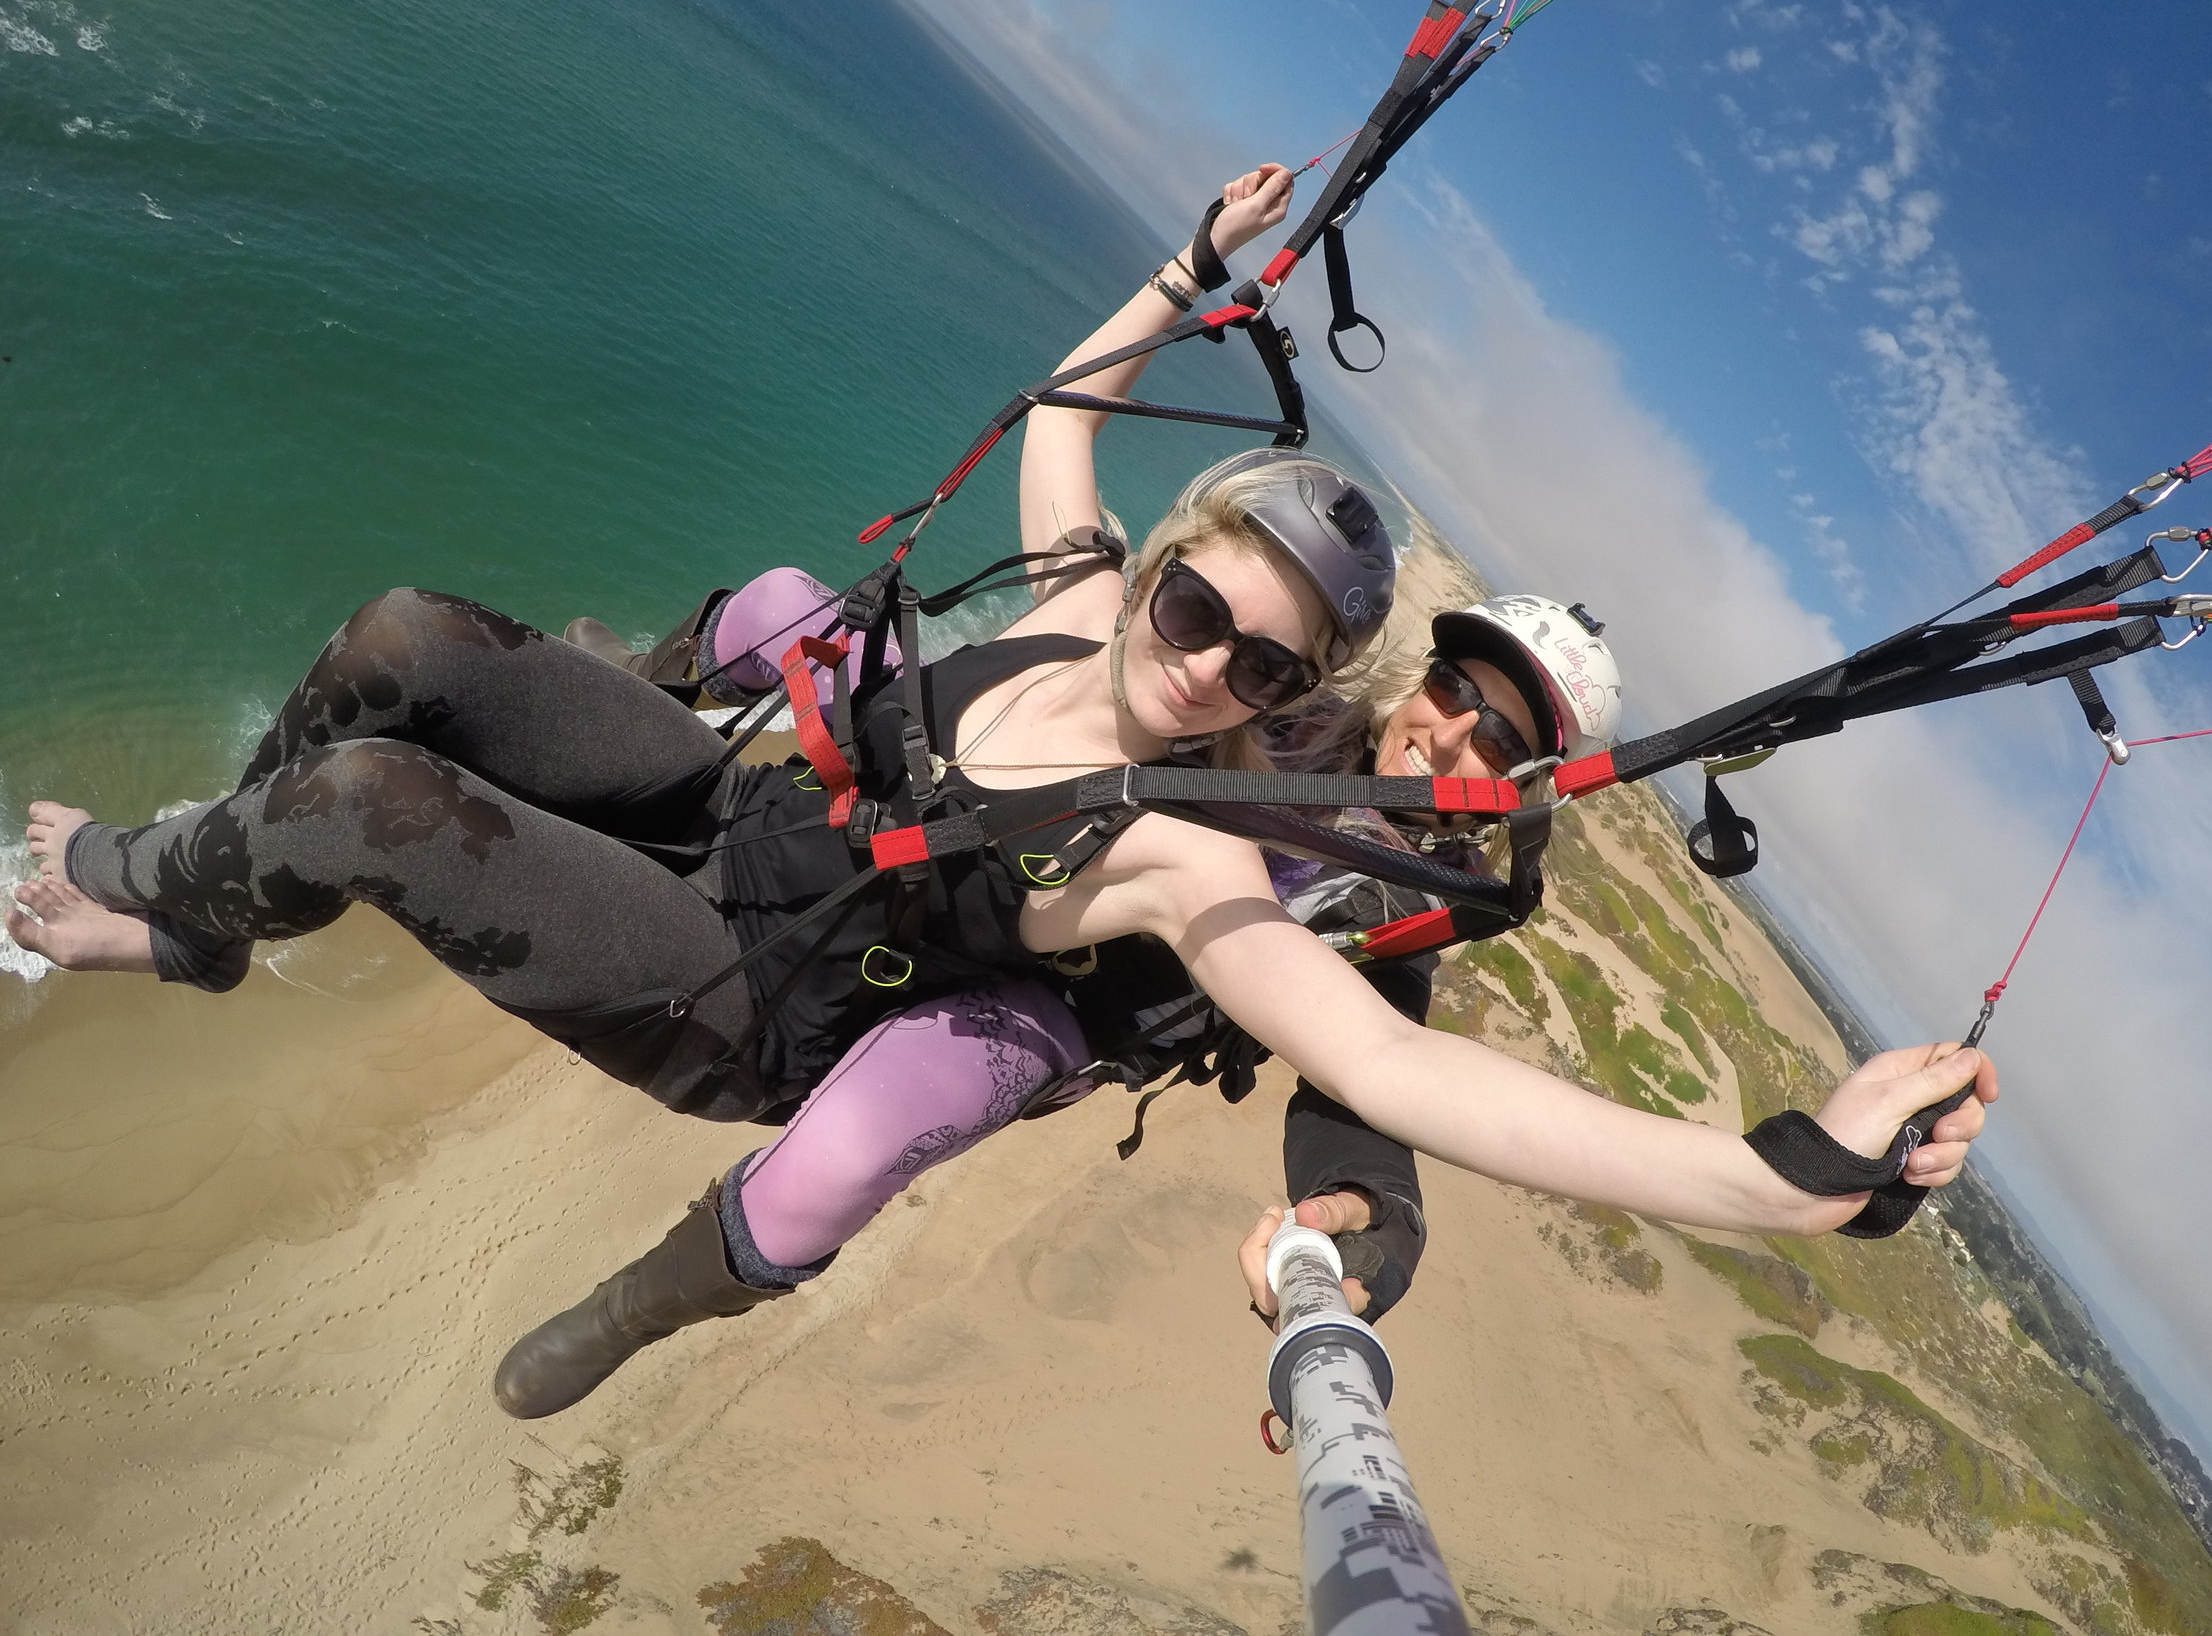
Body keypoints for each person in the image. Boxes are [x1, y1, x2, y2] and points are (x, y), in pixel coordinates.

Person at [9, 163, 1997, 1428]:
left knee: (370, 797)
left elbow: (1404, 1085)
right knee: (404, 635)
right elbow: (1064, 424)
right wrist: (1184, 269)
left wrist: (1778, 1173)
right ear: (1167, 557)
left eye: (1265, 661)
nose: (1210, 654)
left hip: (747, 982)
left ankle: (139, 894)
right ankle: (215, 905)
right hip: (738, 812)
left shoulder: (1183, 839)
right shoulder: (1079, 609)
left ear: (1300, 696)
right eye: (1201, 597)